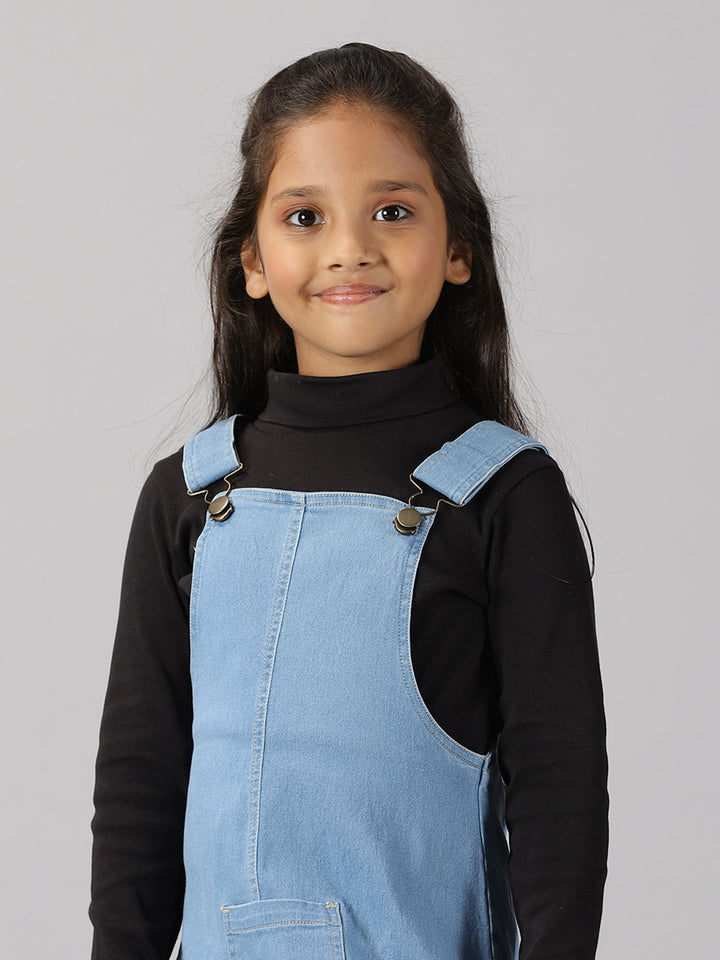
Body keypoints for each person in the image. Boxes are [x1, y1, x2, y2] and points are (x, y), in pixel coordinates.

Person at [90, 43, 608, 960]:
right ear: (252, 260)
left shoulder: (504, 494)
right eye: (304, 216)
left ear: (458, 249)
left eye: (392, 211)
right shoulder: (191, 494)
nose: (349, 248)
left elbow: (558, 786)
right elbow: (141, 777)